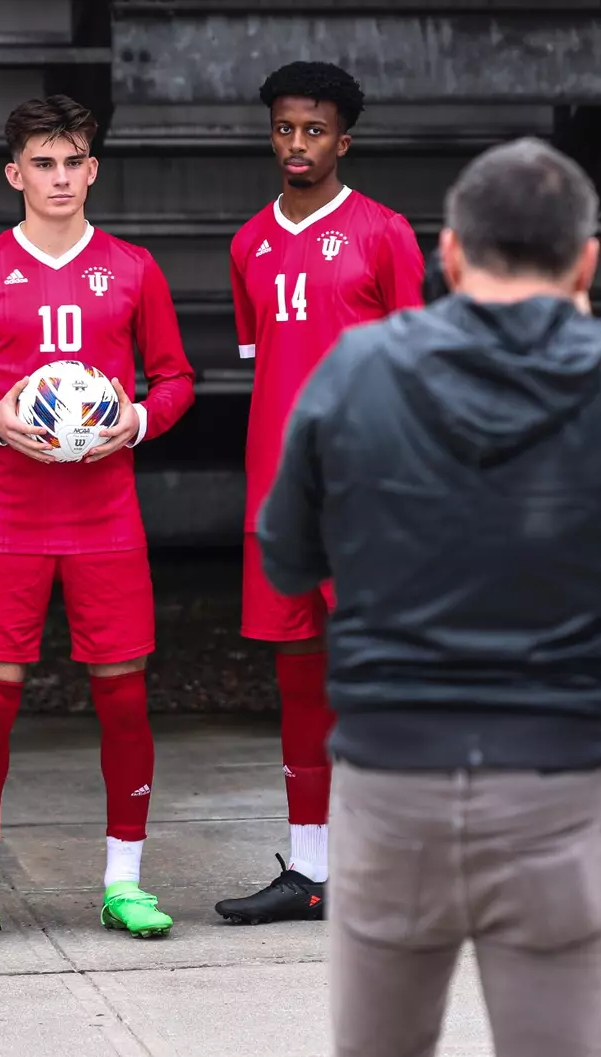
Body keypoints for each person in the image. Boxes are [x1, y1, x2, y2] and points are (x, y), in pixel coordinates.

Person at [257, 137, 601, 1057]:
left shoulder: (358, 369)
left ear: (448, 253)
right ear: (587, 262)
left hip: (395, 785)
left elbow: (287, 554)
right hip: (562, 782)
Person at [0, 95, 197, 946]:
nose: (59, 178)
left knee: (125, 701)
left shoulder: (136, 269)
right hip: (6, 516)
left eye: (73, 162)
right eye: (43, 163)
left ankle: (124, 883)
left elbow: (176, 379)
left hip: (107, 515)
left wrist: (136, 420)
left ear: (92, 169)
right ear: (15, 174)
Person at [215, 61, 426, 925]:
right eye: (284, 129)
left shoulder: (384, 233)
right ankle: (310, 873)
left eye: (314, 130)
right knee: (300, 683)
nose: (297, 144)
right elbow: (272, 375)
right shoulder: (247, 245)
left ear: (345, 138)